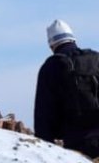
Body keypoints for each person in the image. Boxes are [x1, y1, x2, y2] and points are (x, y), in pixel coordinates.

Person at [34, 19, 99, 158]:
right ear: (73, 39)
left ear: (51, 45)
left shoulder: (51, 67)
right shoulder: (96, 58)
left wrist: (46, 151)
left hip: (78, 146)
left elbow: (43, 115)